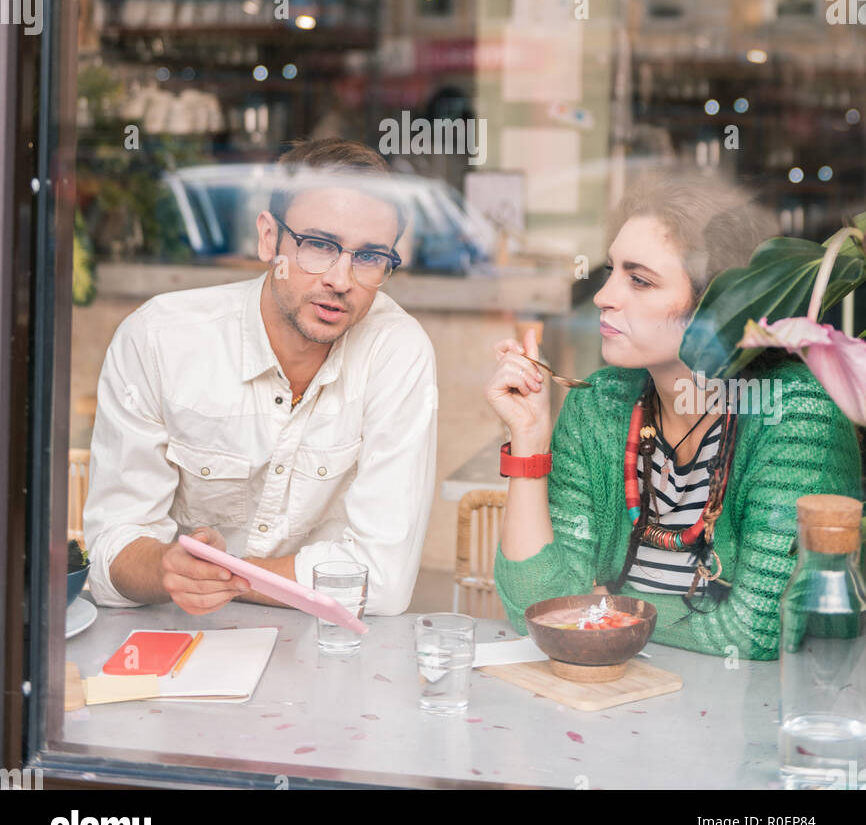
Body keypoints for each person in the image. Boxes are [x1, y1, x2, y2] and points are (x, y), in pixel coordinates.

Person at [487, 171, 862, 660]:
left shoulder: (794, 413)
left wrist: (605, 609)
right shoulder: (600, 403)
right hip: (612, 706)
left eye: (639, 280)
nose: (604, 297)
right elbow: (537, 609)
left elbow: (759, 628)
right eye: (611, 272)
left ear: (716, 305)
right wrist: (529, 442)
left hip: (753, 718)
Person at [84, 138, 438, 616]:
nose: (341, 278)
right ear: (269, 238)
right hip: (182, 637)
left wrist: (229, 574)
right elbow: (112, 549)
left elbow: (383, 581)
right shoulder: (159, 338)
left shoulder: (397, 352)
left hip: (329, 652)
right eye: (319, 245)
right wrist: (169, 568)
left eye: (370, 256)